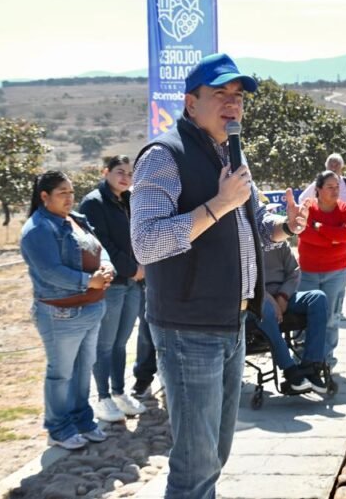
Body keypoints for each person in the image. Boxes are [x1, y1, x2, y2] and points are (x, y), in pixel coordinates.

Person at [130, 53, 307, 499]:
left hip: (232, 323)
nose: (232, 104)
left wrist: (285, 227)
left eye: (238, 96)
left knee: (216, 455)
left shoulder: (230, 153)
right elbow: (147, 243)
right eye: (220, 94)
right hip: (188, 328)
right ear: (191, 103)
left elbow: (247, 231)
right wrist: (219, 204)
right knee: (195, 464)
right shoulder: (163, 156)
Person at [21, 171, 114, 450]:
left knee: (83, 370)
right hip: (61, 314)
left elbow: (99, 248)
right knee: (61, 373)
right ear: (44, 196)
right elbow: (49, 271)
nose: (69, 198)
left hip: (89, 309)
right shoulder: (38, 229)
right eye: (62, 193)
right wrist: (88, 281)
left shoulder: (75, 220)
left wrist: (107, 265)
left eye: (71, 192)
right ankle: (58, 428)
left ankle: (82, 421)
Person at [79, 155, 146, 421]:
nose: (125, 178)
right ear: (105, 172)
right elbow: (101, 243)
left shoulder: (129, 200)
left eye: (130, 174)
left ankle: (119, 392)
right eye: (120, 172)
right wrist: (132, 268)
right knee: (105, 344)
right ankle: (103, 397)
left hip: (134, 282)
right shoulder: (94, 202)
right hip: (112, 282)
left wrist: (141, 267)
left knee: (121, 342)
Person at [297, 170, 346, 370]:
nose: (335, 191)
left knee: (331, 318)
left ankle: (325, 362)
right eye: (330, 187)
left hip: (336, 273)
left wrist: (319, 227)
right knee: (303, 319)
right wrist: (332, 239)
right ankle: (302, 361)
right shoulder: (308, 208)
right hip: (308, 273)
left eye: (337, 187)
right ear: (318, 190)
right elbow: (304, 234)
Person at [299, 153, 346, 315]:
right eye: (331, 163)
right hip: (333, 240)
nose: (334, 166)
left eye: (337, 164)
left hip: (343, 234)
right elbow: (303, 200)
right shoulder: (317, 184)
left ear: (342, 166)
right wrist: (333, 238)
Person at [257, 241, 330, 393]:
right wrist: (269, 298)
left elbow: (294, 272)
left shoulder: (279, 241)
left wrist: (283, 296)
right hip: (258, 299)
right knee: (266, 310)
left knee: (318, 298)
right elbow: (246, 280)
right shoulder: (244, 241)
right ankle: (290, 370)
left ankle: (311, 365)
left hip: (284, 294)